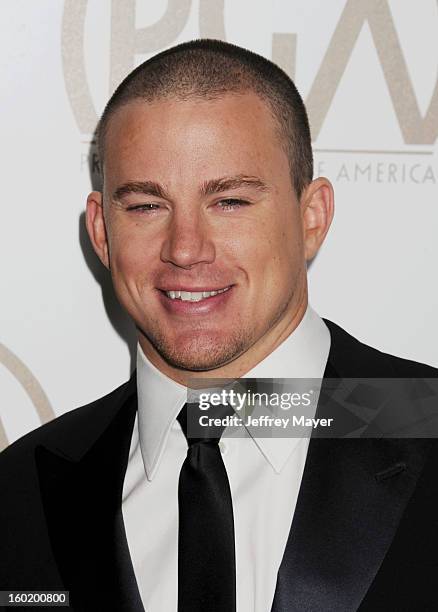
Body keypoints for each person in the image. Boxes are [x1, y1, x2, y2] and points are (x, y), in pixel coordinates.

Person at [1, 39, 437, 612]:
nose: (185, 250)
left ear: (313, 217)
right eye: (145, 207)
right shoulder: (19, 493)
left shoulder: (427, 423)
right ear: (102, 233)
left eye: (229, 201)